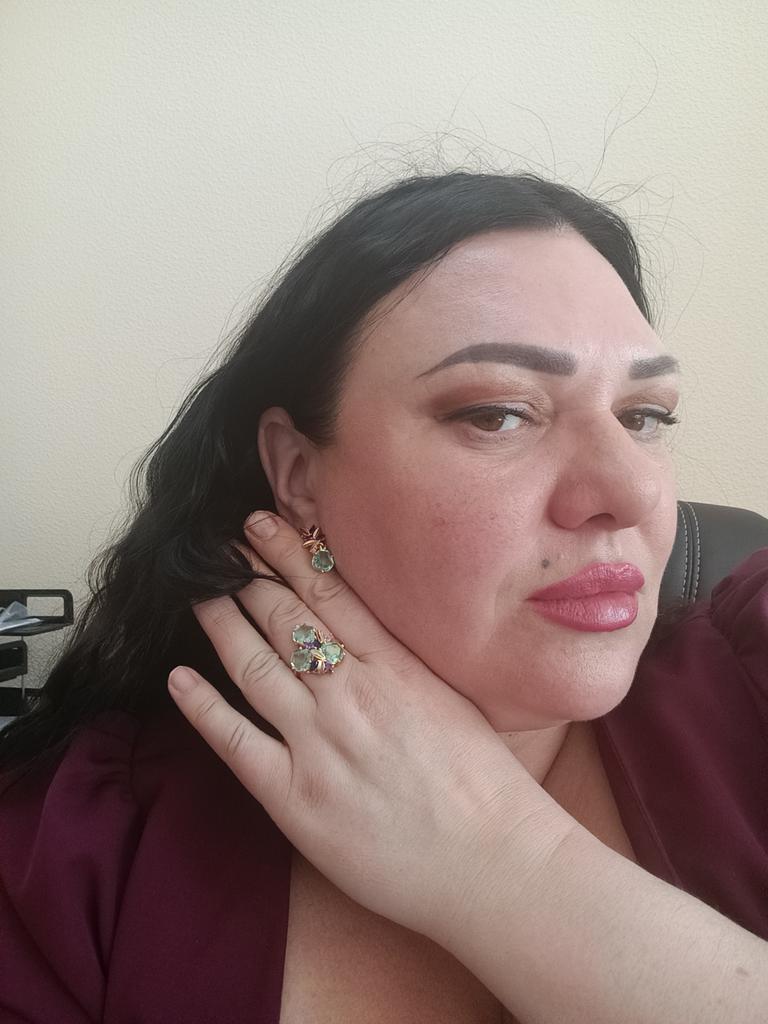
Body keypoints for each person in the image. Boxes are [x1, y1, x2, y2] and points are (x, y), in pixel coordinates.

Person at [1, 172, 766, 1023]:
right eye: (497, 413)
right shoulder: (71, 859)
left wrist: (500, 860)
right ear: (298, 474)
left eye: (644, 416)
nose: (630, 492)